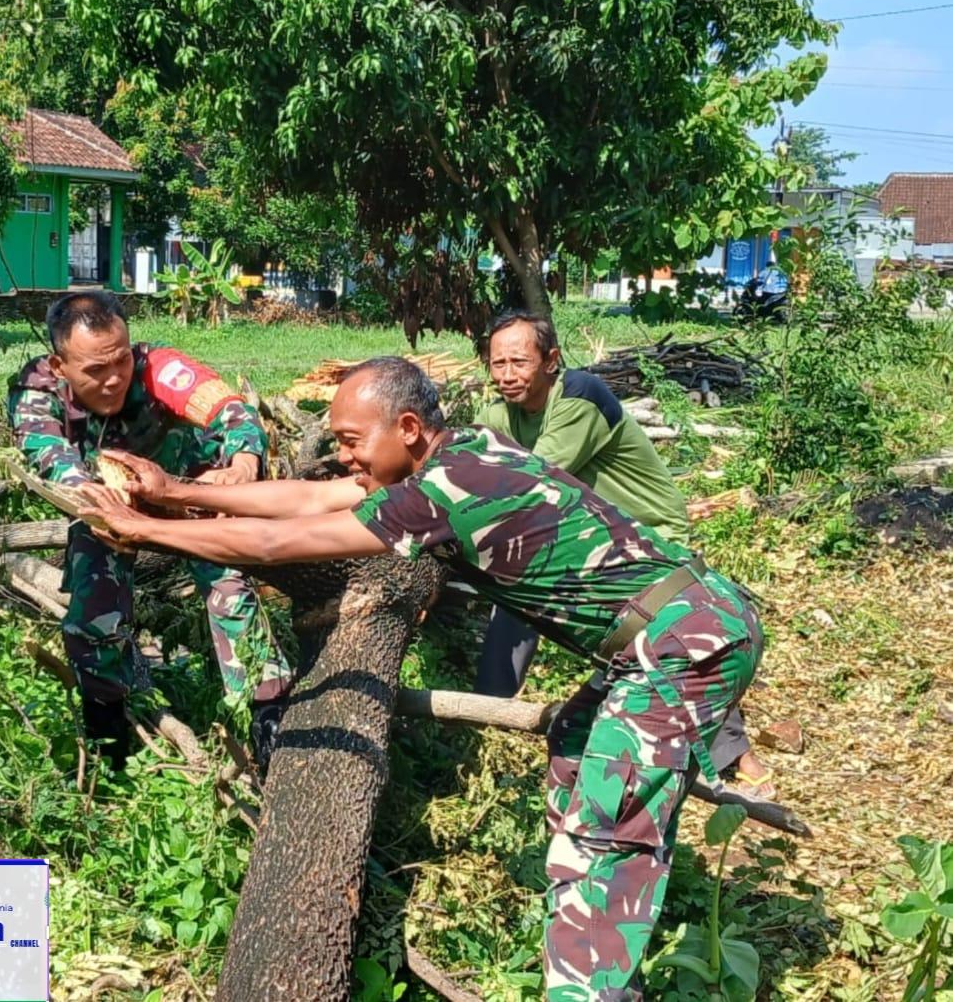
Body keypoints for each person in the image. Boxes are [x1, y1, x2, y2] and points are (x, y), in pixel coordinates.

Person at [83, 357, 762, 1002]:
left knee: (605, 827)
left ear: (406, 429)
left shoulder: (446, 489)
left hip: (683, 640)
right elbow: (317, 495)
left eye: (351, 438)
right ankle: (600, 921)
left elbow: (273, 543)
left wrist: (145, 530)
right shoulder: (462, 450)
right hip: (690, 620)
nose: (343, 453)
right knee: (580, 743)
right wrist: (175, 492)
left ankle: (590, 973)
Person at [476, 309, 774, 796]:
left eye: (519, 362)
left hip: (648, 534)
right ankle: (487, 715)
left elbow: (530, 480)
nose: (508, 375)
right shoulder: (497, 414)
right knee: (514, 596)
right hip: (586, 537)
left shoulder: (579, 398)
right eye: (498, 363)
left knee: (664, 635)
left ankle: (735, 757)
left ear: (551, 360)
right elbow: (472, 466)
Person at [8, 290, 294, 770]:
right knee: (92, 606)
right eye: (95, 371)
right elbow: (51, 458)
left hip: (189, 496)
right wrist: (98, 502)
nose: (115, 378)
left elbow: (229, 409)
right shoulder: (37, 389)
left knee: (230, 589)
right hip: (106, 506)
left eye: (120, 360)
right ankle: (109, 747)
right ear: (60, 366)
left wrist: (244, 461)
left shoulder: (158, 366)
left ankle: (271, 734)